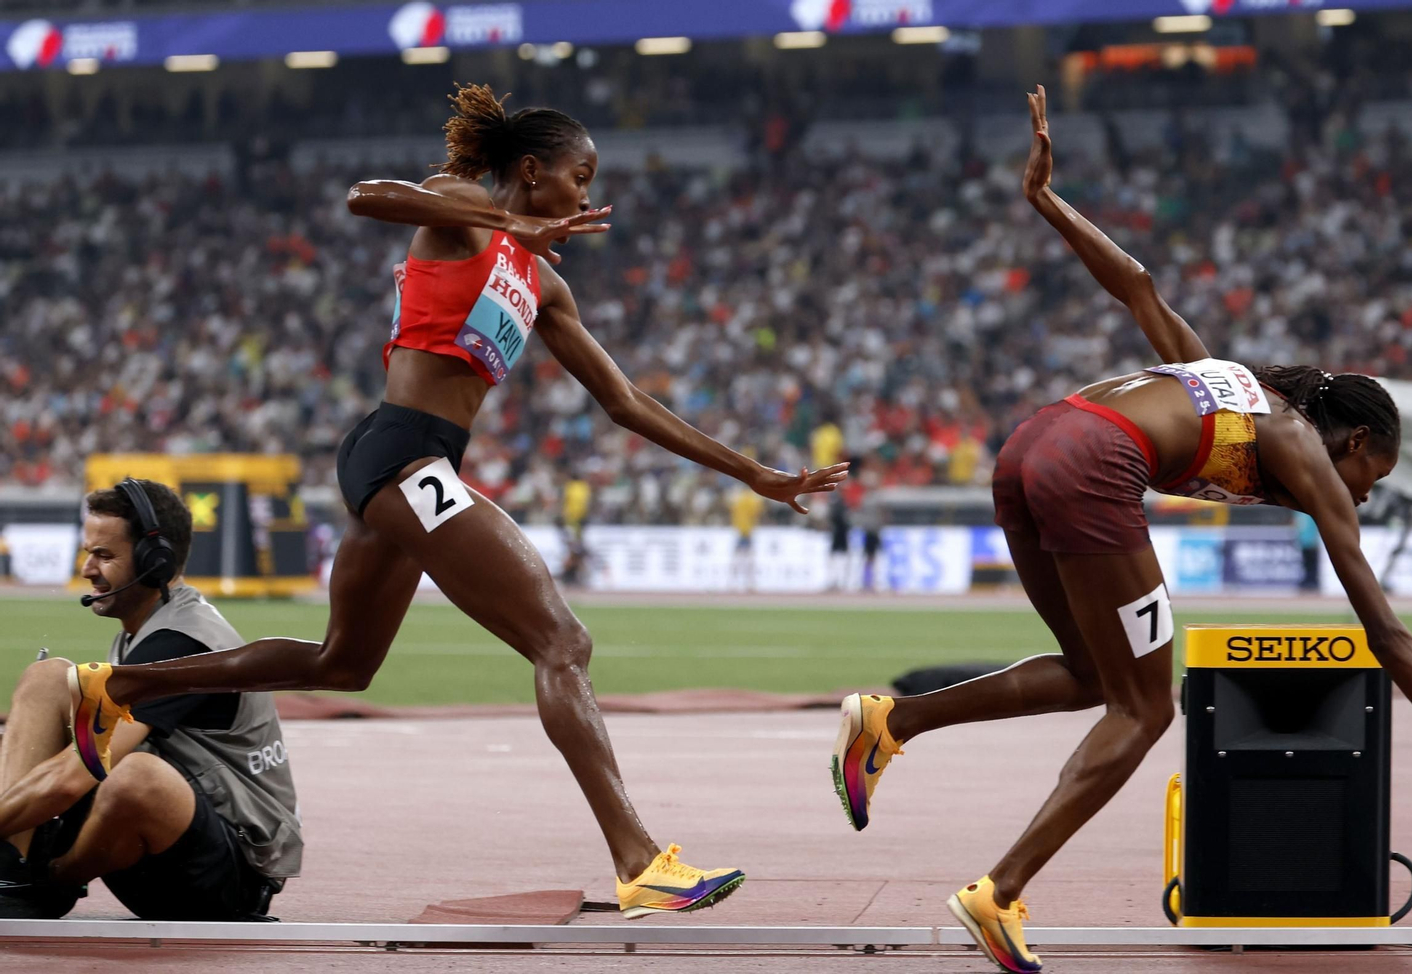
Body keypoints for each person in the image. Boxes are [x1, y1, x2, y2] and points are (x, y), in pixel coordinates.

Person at [65, 84, 847, 918]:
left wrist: (751, 472)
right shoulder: (463, 208)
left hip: (420, 462)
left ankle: (119, 690)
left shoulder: (544, 284)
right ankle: (640, 859)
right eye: (581, 177)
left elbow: (625, 401)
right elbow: (365, 196)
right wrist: (511, 224)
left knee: (342, 664)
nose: (586, 196)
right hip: (399, 451)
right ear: (533, 170)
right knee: (562, 642)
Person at [830, 86, 1412, 974]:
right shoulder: (1296, 443)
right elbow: (1382, 622)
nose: (1361, 496)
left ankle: (890, 719)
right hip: (1094, 464)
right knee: (1146, 709)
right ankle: (999, 890)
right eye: (1374, 476)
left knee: (1095, 678)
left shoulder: (1224, 378)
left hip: (1028, 446)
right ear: (1354, 442)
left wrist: (1046, 203)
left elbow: (1137, 286)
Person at [2, 480, 299, 920]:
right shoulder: (144, 631)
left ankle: (49, 881)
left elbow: (72, 776)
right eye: (88, 553)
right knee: (49, 679)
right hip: (172, 843)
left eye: (104, 555)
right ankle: (12, 872)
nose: (86, 569)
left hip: (230, 876)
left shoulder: (181, 641)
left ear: (154, 562)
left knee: (137, 776)